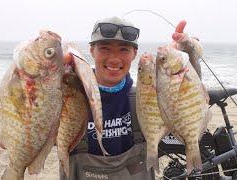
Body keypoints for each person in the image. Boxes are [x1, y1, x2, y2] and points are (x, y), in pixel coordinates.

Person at [59, 16, 199, 180]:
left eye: (124, 49)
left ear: (134, 54)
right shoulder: (67, 99)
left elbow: (184, 99)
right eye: (105, 48)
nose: (114, 58)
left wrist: (189, 54)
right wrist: (46, 79)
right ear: (91, 51)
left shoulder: (150, 100)